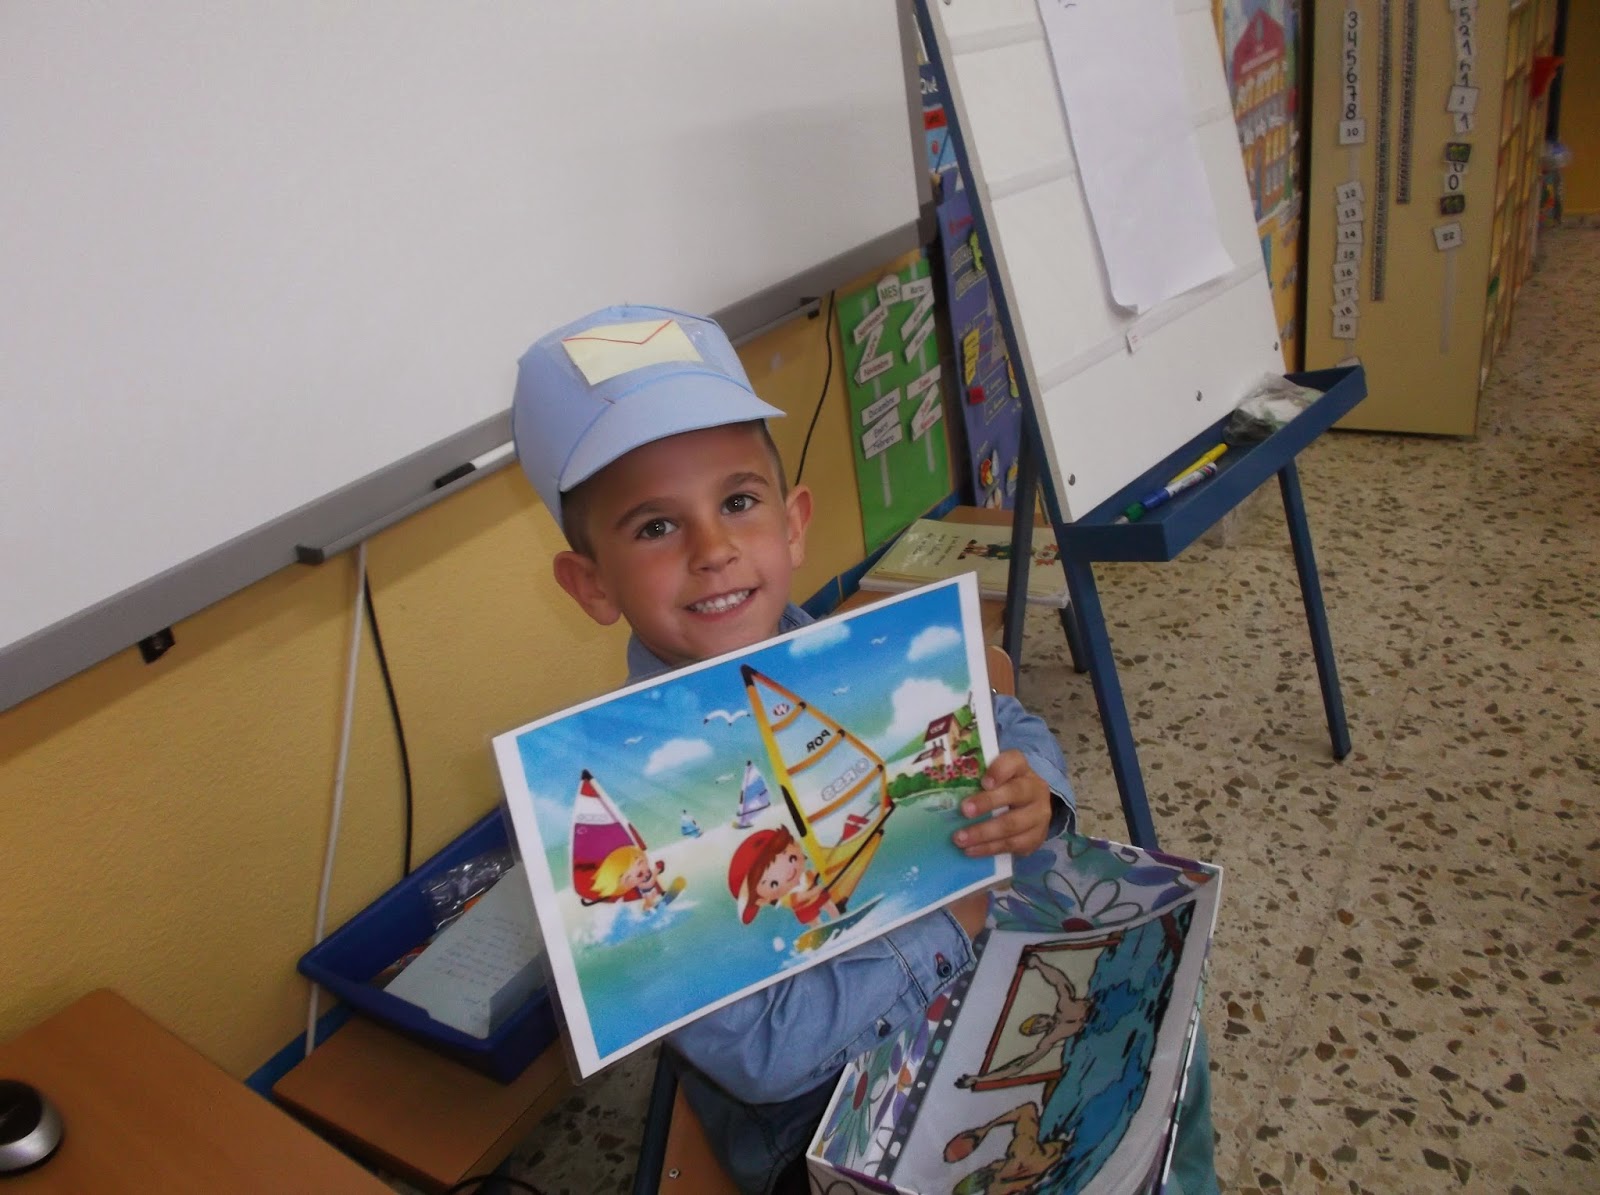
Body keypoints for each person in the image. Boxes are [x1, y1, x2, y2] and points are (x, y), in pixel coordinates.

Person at [512, 303, 1215, 1195]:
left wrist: (1036, 787)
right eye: (655, 526)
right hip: (818, 1118)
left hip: (975, 989)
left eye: (738, 502)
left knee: (1160, 1049)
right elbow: (766, 1056)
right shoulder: (630, 806)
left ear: (793, 523)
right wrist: (955, 921)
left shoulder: (852, 657)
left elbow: (1005, 720)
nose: (714, 549)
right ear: (590, 584)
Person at [728, 826, 840, 927]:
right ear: (762, 900)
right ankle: (820, 930)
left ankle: (838, 918)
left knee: (829, 905)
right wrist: (814, 891)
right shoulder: (786, 897)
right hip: (805, 908)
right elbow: (800, 897)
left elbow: (814, 873)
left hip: (818, 897)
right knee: (814, 922)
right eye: (773, 883)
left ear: (796, 845)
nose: (788, 873)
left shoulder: (804, 876)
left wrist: (821, 868)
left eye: (792, 858)